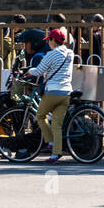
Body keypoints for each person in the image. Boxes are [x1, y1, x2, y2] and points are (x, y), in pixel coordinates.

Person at [29, 28, 75, 163]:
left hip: (52, 92)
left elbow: (38, 71)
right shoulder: (70, 54)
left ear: (54, 40)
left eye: (49, 39)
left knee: (40, 115)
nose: (48, 42)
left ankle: (50, 142)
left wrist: (28, 72)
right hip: (66, 92)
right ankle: (55, 154)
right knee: (57, 124)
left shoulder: (50, 54)